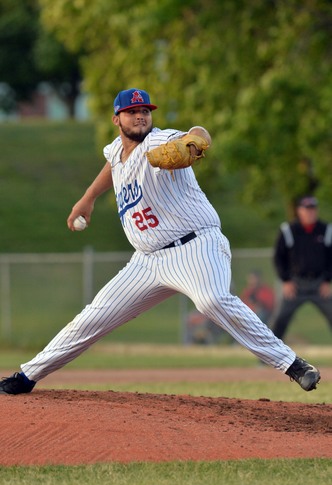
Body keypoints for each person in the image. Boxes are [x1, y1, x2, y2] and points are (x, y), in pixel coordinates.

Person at [0, 88, 320, 395]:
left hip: (195, 246)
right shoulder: (116, 151)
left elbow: (198, 133)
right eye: (132, 112)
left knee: (210, 300)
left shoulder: (160, 142)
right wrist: (87, 199)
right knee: (93, 316)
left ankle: (293, 364)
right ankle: (27, 375)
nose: (140, 116)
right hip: (147, 260)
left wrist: (194, 142)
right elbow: (113, 165)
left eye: (144, 111)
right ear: (117, 119)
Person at [271, 195, 332, 341]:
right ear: (299, 211)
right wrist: (285, 280)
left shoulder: (326, 230)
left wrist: (327, 280)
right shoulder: (289, 230)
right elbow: (279, 257)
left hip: (319, 283)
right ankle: (267, 357)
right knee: (280, 318)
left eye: (313, 209)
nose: (310, 212)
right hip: (295, 283)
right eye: (307, 209)